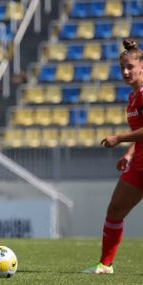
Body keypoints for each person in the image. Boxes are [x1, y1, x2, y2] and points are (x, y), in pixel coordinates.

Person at [83, 38, 143, 274]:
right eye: (122, 68)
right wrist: (129, 153)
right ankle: (105, 265)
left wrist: (118, 139)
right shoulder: (132, 96)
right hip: (139, 162)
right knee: (115, 211)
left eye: (130, 67)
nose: (126, 72)